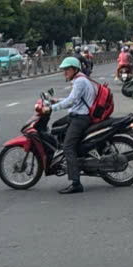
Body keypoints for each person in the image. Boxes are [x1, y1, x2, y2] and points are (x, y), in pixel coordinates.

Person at [44, 55, 97, 194]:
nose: (65, 72)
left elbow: (71, 101)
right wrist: (56, 100)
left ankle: (76, 183)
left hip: (81, 118)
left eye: (67, 69)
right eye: (64, 69)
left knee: (68, 147)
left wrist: (51, 108)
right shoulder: (80, 79)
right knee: (56, 126)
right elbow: (73, 99)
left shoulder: (80, 81)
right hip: (76, 115)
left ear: (75, 69)